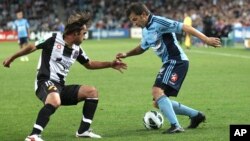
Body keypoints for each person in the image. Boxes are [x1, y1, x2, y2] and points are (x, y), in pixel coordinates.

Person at [3, 11, 127, 141]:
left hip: (60, 87)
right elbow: (31, 47)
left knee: (92, 91)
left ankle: (83, 131)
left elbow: (89, 64)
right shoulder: (52, 38)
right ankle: (33, 136)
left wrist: (110, 64)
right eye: (84, 34)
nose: (85, 37)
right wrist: (12, 57)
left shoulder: (77, 49)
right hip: (44, 82)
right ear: (75, 34)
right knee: (55, 100)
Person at [116, 2, 221, 134]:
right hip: (169, 62)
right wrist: (126, 54)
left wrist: (205, 39)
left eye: (135, 19)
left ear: (143, 14)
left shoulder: (159, 22)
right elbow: (142, 48)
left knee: (157, 91)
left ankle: (176, 126)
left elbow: (185, 27)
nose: (134, 23)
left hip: (176, 60)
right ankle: (196, 116)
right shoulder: (145, 30)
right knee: (158, 102)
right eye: (132, 21)